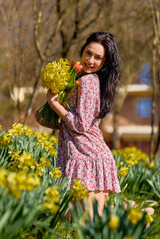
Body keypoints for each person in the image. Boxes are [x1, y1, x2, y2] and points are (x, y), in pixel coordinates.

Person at [36, 31, 121, 219]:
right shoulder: (80, 79)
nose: (90, 60)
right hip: (82, 156)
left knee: (89, 224)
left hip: (89, 159)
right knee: (77, 221)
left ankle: (139, 218)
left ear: (105, 62)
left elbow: (81, 125)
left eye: (98, 57)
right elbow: (76, 124)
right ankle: (131, 212)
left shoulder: (88, 81)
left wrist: (54, 104)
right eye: (88, 53)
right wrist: (49, 119)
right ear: (82, 51)